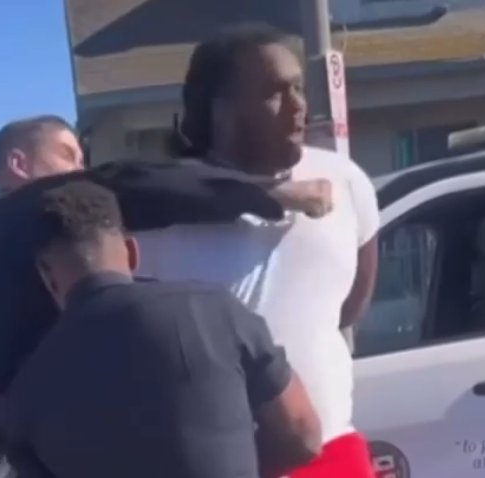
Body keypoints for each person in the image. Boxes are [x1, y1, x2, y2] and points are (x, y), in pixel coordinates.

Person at [0, 115, 336, 477]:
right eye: (69, 156)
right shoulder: (13, 209)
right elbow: (130, 184)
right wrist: (272, 194)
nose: (81, 170)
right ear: (18, 164)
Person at [136, 25, 380, 478]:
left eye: (298, 89)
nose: (298, 106)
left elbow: (350, 307)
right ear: (218, 108)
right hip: (225, 466)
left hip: (332, 451)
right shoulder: (155, 213)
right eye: (274, 93)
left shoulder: (344, 180)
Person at [1, 180, 321, 478]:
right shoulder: (213, 310)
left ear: (47, 275)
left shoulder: (25, 396)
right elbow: (302, 433)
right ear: (131, 251)